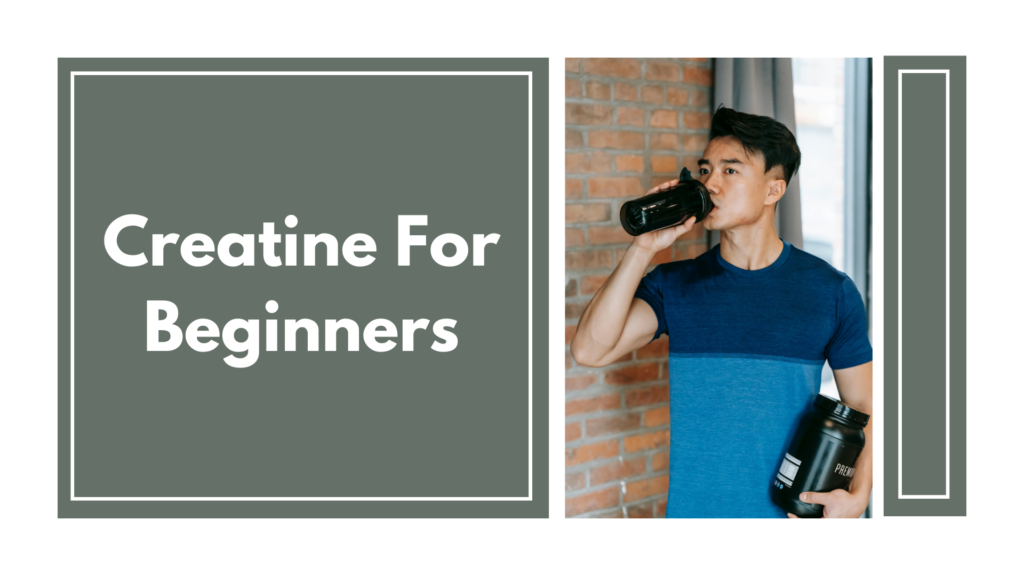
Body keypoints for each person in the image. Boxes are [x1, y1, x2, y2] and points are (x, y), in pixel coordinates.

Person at [570, 106, 872, 518]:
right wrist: (642, 248)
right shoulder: (673, 284)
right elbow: (590, 350)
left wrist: (858, 497)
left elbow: (864, 406)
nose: (710, 183)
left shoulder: (830, 291)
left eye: (731, 171)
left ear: (773, 190)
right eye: (705, 169)